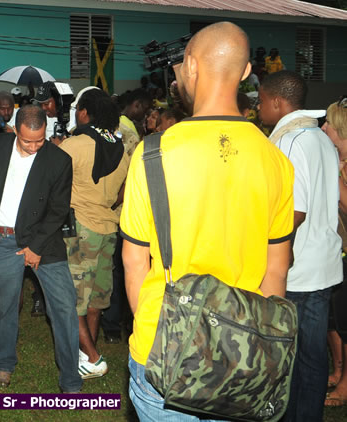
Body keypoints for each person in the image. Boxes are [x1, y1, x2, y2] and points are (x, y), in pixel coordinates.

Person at [121, 21, 294, 421]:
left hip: (163, 350)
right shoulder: (276, 161)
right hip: (243, 355)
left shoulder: (152, 154)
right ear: (247, 71)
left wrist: (153, 336)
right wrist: (262, 352)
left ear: (192, 66)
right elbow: (276, 271)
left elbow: (134, 261)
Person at [0, 105, 84, 393]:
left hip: (44, 241)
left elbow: (59, 209)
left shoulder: (59, 160)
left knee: (64, 306)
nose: (34, 147)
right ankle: (4, 363)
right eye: (27, 141)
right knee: (5, 305)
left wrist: (35, 247)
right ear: (15, 131)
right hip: (2, 238)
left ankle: (71, 379)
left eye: (40, 140)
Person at [258, 70, 342, 422]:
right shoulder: (319, 136)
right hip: (322, 263)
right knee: (312, 354)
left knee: (289, 357)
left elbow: (295, 211)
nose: (258, 108)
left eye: (261, 101)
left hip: (298, 269)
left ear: (278, 102)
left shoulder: (290, 141)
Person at [60, 89, 129, 379]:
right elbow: (123, 191)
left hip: (81, 229)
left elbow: (55, 183)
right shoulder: (121, 148)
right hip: (109, 228)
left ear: (85, 113)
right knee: (97, 298)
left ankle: (92, 356)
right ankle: (86, 353)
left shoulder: (74, 145)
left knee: (74, 297)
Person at [321, 98, 347, 407]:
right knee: (334, 319)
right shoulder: (335, 160)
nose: (324, 128)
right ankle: (339, 371)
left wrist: (335, 177)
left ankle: (345, 384)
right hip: (334, 251)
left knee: (345, 322)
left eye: (329, 123)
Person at [117, 89, 151, 155]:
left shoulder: (117, 119)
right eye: (145, 110)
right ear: (137, 104)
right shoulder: (128, 126)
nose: (145, 115)